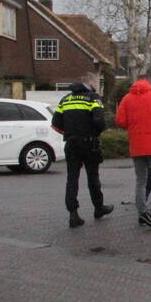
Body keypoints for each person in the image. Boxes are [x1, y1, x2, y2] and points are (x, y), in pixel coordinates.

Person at [51, 82, 113, 228]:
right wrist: (95, 134)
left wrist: (69, 134)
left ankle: (73, 214)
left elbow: (55, 124)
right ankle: (99, 208)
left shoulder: (65, 100)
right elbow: (99, 121)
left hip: (71, 144)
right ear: (88, 89)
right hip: (89, 143)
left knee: (72, 179)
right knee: (93, 177)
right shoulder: (93, 98)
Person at [115, 75, 151, 229]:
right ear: (149, 83)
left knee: (141, 181)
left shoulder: (126, 99)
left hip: (136, 145)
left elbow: (120, 121)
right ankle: (148, 210)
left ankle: (141, 213)